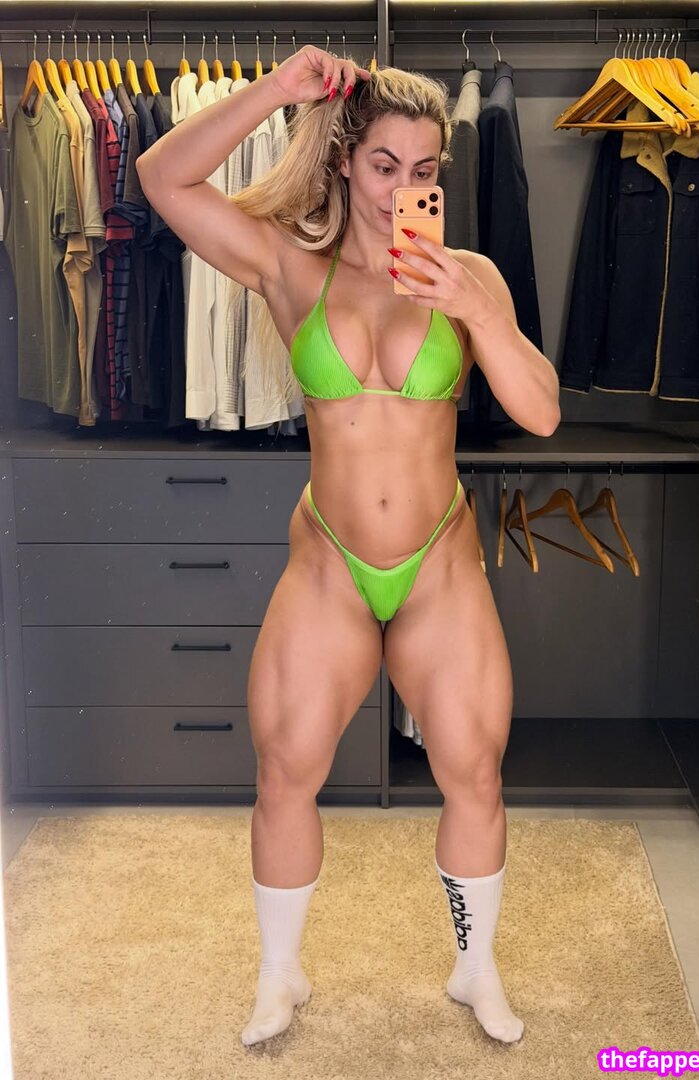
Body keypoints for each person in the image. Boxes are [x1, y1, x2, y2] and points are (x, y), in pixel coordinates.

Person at [136, 44, 560, 1049]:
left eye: (423, 170)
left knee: (475, 772)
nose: (400, 188)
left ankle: (475, 968)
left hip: (438, 564)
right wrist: (278, 90)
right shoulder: (289, 265)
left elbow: (541, 411)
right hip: (329, 562)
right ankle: (279, 975)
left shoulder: (471, 276)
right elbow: (162, 180)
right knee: (285, 770)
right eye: (383, 165)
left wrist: (474, 312)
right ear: (344, 159)